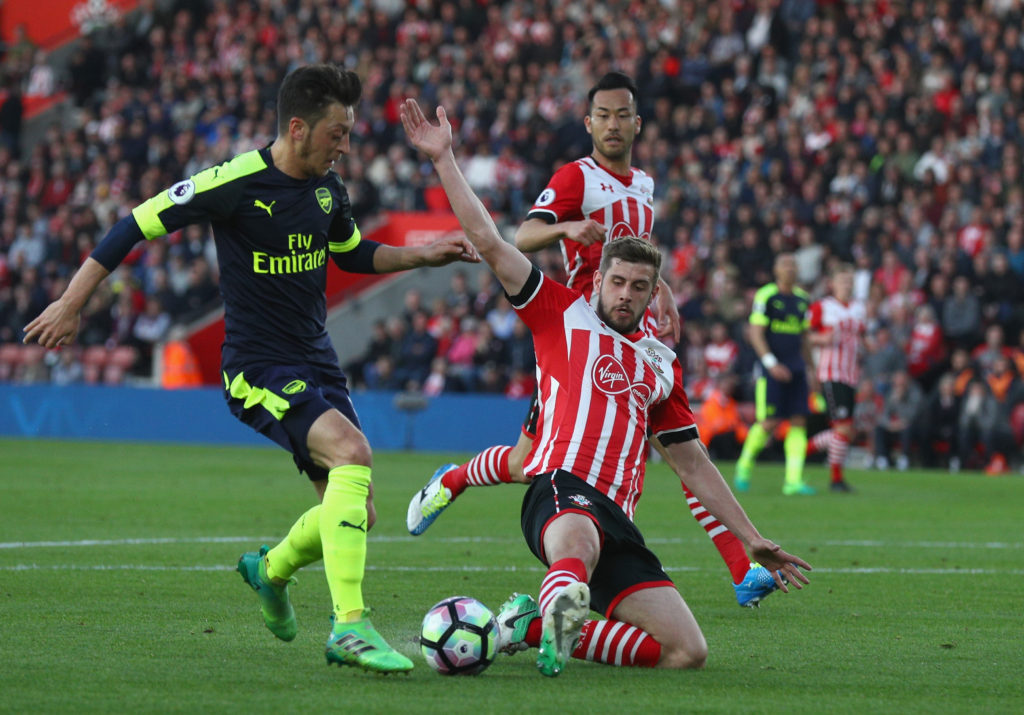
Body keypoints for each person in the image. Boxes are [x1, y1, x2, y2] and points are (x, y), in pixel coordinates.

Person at [22, 64, 479, 674]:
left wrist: (423, 255)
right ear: (297, 127)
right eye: (336, 134)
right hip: (256, 366)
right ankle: (349, 627)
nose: (346, 146)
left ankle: (269, 572)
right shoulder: (234, 181)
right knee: (354, 453)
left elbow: (351, 252)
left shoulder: (327, 189)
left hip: (318, 362)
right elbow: (135, 222)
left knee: (355, 513)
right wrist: (71, 301)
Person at [401, 97, 810, 676]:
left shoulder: (659, 364)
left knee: (686, 653)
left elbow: (693, 465)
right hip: (563, 493)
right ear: (600, 280)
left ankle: (533, 625)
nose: (624, 293)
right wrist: (444, 159)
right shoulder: (561, 314)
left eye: (638, 286)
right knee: (574, 541)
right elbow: (492, 241)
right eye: (616, 280)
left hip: (621, 520)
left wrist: (752, 538)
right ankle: (551, 591)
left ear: (652, 294)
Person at [733, 253, 820, 495]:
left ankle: (793, 481)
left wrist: (812, 369)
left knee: (799, 421)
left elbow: (804, 339)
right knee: (769, 422)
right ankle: (744, 465)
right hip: (772, 369)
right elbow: (756, 333)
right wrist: (771, 363)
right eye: (785, 264)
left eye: (793, 264)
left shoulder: (803, 299)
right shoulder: (767, 296)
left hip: (797, 369)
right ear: (776, 270)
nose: (790, 268)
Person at [805, 263, 865, 492]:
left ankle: (803, 450)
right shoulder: (823, 307)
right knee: (843, 427)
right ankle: (836, 479)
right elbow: (806, 335)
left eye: (850, 282)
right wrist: (821, 340)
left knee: (845, 430)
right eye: (842, 281)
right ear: (833, 284)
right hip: (831, 372)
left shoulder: (859, 308)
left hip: (851, 375)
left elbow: (862, 337)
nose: (846, 286)